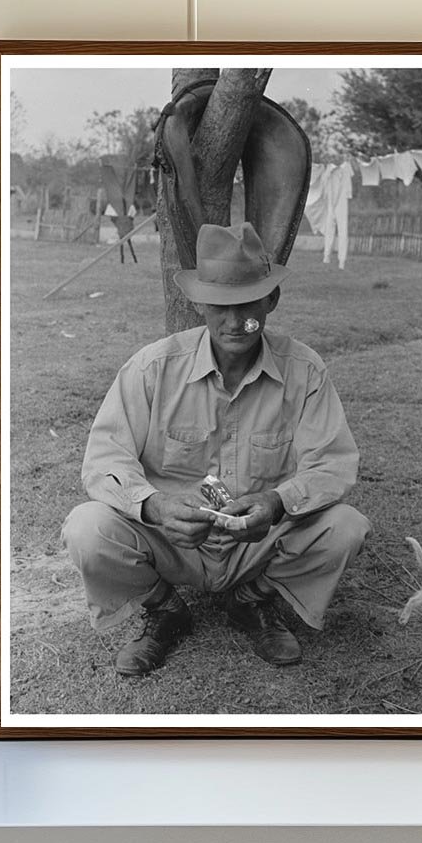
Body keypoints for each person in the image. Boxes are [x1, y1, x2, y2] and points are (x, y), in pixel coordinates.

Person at [60, 221, 371, 676]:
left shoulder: (304, 370)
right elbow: (105, 461)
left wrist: (274, 502)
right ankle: (165, 609)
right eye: (221, 305)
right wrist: (156, 506)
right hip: (171, 543)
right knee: (87, 528)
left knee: (346, 526)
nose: (234, 320)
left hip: (259, 543)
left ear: (271, 301)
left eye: (248, 304)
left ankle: (252, 601)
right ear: (200, 303)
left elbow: (333, 464)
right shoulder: (152, 368)